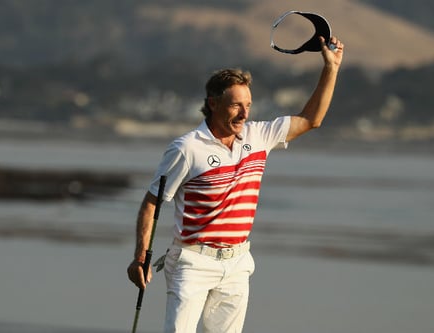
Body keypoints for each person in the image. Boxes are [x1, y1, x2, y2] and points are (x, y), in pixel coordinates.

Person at [127, 36, 344, 333]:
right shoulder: (187, 148)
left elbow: (311, 119)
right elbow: (152, 201)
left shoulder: (259, 136)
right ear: (213, 104)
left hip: (238, 262)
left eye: (248, 105)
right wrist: (140, 257)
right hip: (192, 261)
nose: (244, 114)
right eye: (235, 106)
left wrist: (330, 68)